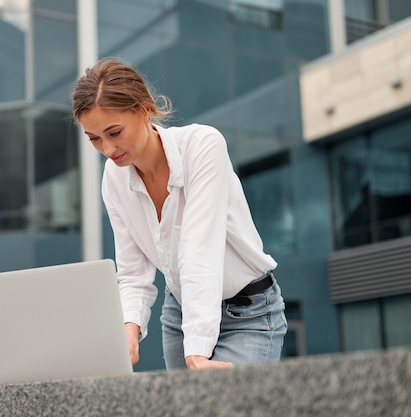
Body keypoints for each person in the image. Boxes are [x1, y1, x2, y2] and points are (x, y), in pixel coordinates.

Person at [71, 58, 287, 371]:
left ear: (144, 110)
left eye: (114, 132)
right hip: (180, 312)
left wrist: (197, 350)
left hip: (249, 313)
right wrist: (128, 330)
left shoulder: (202, 146)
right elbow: (133, 272)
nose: (107, 149)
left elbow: (199, 252)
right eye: (94, 138)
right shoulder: (114, 177)